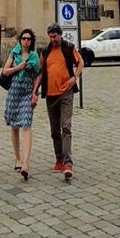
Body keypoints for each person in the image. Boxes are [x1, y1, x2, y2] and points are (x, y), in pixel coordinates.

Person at [33, 22, 84, 181]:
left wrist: (75, 77)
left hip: (66, 93)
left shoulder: (68, 47)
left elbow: (80, 62)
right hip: (50, 95)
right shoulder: (46, 51)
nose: (52, 39)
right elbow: (41, 72)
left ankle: (68, 163)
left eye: (54, 36)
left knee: (65, 127)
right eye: (50, 36)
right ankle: (59, 158)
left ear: (60, 34)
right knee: (55, 130)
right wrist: (34, 91)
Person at [2, 29, 40, 180]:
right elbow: (5, 71)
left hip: (26, 93)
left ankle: (25, 163)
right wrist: (17, 68)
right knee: (14, 126)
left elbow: (38, 75)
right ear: (20, 40)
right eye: (24, 38)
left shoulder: (34, 56)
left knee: (26, 125)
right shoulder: (14, 53)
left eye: (28, 39)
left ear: (31, 41)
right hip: (13, 93)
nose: (26, 41)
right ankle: (17, 158)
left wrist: (35, 93)